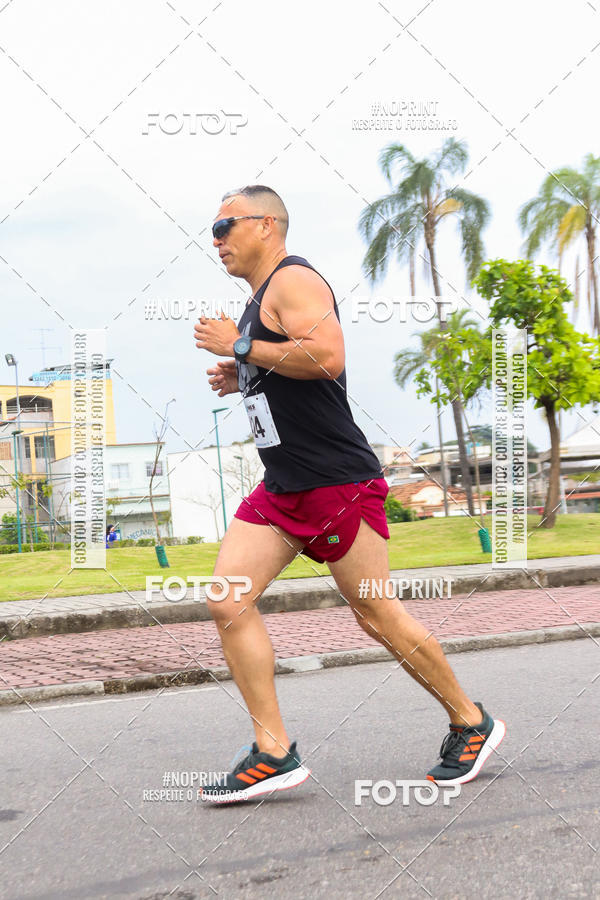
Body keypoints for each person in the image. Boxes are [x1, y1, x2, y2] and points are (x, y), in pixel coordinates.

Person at [193, 185, 505, 803]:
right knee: (228, 600)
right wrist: (246, 373)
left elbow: (328, 357)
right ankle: (274, 750)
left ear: (265, 225)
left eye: (224, 225)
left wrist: (240, 345)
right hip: (284, 487)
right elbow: (291, 362)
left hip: (336, 482)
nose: (216, 239)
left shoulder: (294, 280)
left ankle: (471, 721)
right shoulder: (259, 300)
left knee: (375, 614)